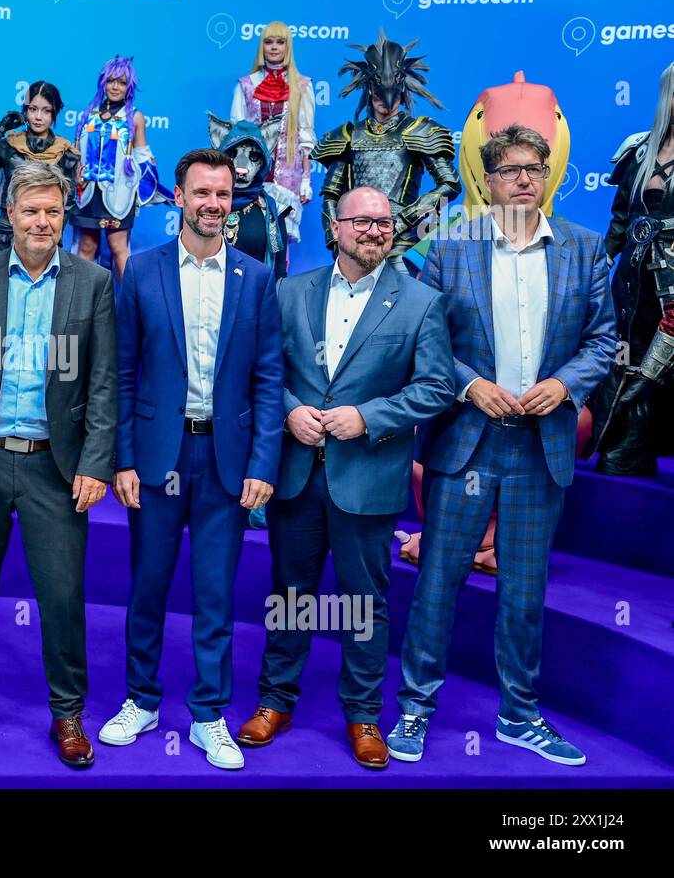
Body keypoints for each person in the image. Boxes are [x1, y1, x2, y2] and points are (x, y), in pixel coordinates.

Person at [388, 124, 617, 767]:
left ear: (547, 177)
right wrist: (469, 386)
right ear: (486, 181)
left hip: (540, 447)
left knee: (524, 591)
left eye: (534, 169)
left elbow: (603, 341)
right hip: (466, 440)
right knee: (436, 583)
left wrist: (564, 385)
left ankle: (520, 716)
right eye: (510, 169)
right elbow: (427, 343)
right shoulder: (449, 248)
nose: (523, 179)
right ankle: (414, 711)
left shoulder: (585, 248)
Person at [238, 186, 455, 769]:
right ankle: (275, 701)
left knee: (364, 602)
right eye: (362, 222)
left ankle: (363, 716)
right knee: (290, 595)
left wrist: (369, 418)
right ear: (335, 228)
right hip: (297, 475)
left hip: (367, 477)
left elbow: (435, 388)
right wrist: (288, 410)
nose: (375, 232)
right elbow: (261, 370)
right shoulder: (288, 292)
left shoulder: (420, 303)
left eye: (384, 224)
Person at [99, 149, 284, 770]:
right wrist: (122, 458)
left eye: (223, 194)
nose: (213, 204)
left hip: (226, 461)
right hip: (156, 458)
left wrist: (262, 464)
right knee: (148, 587)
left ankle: (209, 714)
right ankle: (141, 699)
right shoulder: (142, 273)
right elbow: (121, 374)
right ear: (178, 197)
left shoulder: (256, 279)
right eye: (201, 192)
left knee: (214, 594)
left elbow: (268, 378)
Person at [0, 161, 117, 769]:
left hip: (56, 469)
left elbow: (105, 382)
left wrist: (96, 462)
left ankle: (68, 715)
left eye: (53, 212)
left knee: (62, 598)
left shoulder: (92, 283)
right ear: (9, 215)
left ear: (65, 219)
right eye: (31, 210)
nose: (42, 222)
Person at [586, 62, 674, 476]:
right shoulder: (639, 148)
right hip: (630, 277)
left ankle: (643, 444)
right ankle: (625, 442)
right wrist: (599, 262)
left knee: (663, 364)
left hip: (671, 285)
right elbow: (620, 218)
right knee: (625, 356)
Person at [312, 31, 460, 272]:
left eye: (391, 94)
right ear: (369, 91)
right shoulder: (348, 135)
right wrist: (335, 238)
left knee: (405, 304)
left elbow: (449, 184)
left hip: (401, 243)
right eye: (379, 93)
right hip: (355, 241)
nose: (385, 101)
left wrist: (403, 219)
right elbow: (331, 195)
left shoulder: (418, 131)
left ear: (402, 92)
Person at [72, 55, 168, 279]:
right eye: (111, 80)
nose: (115, 86)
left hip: (119, 195)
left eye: (122, 82)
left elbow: (142, 154)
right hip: (88, 193)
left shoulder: (134, 117)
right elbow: (78, 154)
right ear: (103, 82)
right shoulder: (88, 115)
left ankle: (129, 308)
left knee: (118, 249)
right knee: (86, 248)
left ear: (129, 87)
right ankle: (77, 307)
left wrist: (150, 187)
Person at [230, 21, 315, 245]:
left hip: (288, 173)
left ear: (288, 47)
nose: (274, 47)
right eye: (268, 42)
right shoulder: (246, 85)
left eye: (280, 42)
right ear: (262, 46)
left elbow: (306, 135)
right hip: (250, 171)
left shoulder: (302, 85)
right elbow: (235, 132)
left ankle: (279, 281)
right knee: (248, 231)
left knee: (281, 237)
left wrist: (307, 178)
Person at [0, 80, 79, 252]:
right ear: (25, 110)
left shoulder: (65, 152)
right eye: (32, 109)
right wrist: (1, 128)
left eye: (46, 110)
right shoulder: (11, 145)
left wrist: (53, 236)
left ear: (55, 112)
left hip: (44, 233)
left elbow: (68, 202)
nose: (38, 117)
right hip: (8, 231)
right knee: (2, 278)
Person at [207, 116, 290, 277]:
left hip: (253, 297)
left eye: (254, 156)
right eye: (232, 154)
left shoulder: (273, 211)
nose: (241, 168)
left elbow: (279, 274)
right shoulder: (203, 205)